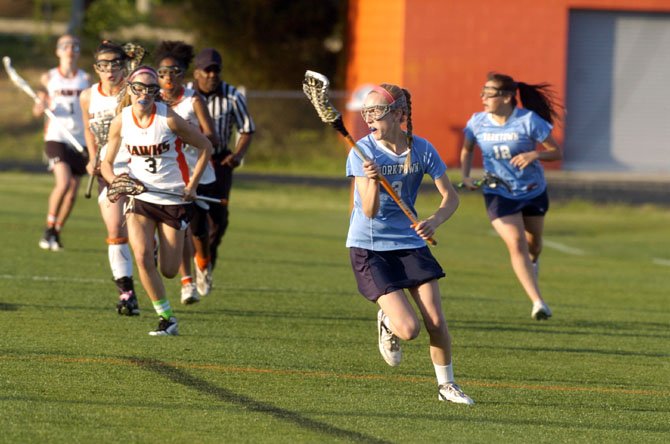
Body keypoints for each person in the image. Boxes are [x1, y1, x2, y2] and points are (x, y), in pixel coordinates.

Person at [347, 83, 474, 404]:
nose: (370, 119)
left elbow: (451, 197)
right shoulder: (362, 151)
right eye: (367, 112)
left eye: (377, 111)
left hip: (409, 243)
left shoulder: (423, 150)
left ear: (400, 114)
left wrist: (435, 219)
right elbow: (371, 210)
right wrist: (373, 181)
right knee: (409, 329)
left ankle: (447, 386)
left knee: (435, 321)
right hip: (370, 246)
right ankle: (388, 322)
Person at [101, 66, 213, 336]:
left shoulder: (169, 119)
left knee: (170, 270)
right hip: (140, 198)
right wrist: (116, 181)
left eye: (151, 89)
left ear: (156, 92)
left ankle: (170, 247)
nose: (144, 94)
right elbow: (106, 163)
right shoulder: (122, 120)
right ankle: (166, 318)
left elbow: (205, 147)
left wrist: (192, 184)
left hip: (173, 199)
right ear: (130, 88)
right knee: (140, 257)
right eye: (139, 88)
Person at [460, 72, 563, 320]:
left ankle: (533, 264)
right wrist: (465, 176)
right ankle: (538, 302)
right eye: (482, 91)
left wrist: (534, 155)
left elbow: (556, 152)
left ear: (506, 97)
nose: (482, 97)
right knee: (515, 243)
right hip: (498, 191)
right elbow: (466, 149)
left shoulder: (528, 121)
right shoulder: (477, 122)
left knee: (533, 245)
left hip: (532, 191)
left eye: (489, 93)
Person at [80, 40, 143, 316]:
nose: (110, 71)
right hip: (109, 170)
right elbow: (88, 130)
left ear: (123, 66)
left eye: (115, 65)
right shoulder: (87, 96)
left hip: (137, 167)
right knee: (115, 228)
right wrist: (92, 157)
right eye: (103, 66)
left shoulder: (132, 92)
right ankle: (126, 293)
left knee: (143, 234)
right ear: (96, 69)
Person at [155, 41, 220, 304]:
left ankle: (203, 266)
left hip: (199, 171)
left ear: (184, 73)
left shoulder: (193, 99)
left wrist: (188, 135)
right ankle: (187, 283)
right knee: (178, 227)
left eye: (174, 72)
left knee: (198, 230)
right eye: (162, 73)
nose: (168, 78)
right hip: (173, 174)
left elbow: (212, 137)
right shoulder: (154, 101)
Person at [188, 48, 255, 290]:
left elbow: (247, 128)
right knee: (190, 217)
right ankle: (190, 270)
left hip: (218, 162)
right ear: (197, 72)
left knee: (218, 220)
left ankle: (206, 263)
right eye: (207, 70)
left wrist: (237, 156)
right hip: (189, 161)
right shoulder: (186, 94)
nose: (212, 75)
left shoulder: (232, 96)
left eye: (216, 70)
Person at [34, 34, 90, 251]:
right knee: (64, 182)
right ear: (58, 51)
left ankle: (55, 231)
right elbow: (39, 105)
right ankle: (49, 226)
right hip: (56, 136)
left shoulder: (85, 79)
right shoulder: (49, 77)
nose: (70, 49)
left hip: (80, 139)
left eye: (74, 45)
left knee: (73, 191)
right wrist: (40, 106)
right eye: (65, 45)